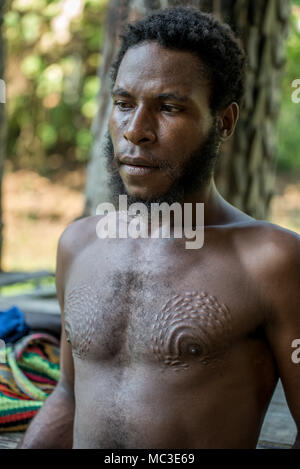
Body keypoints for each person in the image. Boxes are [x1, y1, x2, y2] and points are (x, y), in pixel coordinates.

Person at [19, 7, 300, 449]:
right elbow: (69, 397)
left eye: (169, 107)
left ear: (223, 122)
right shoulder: (78, 244)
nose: (136, 131)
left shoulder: (272, 261)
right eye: (124, 104)